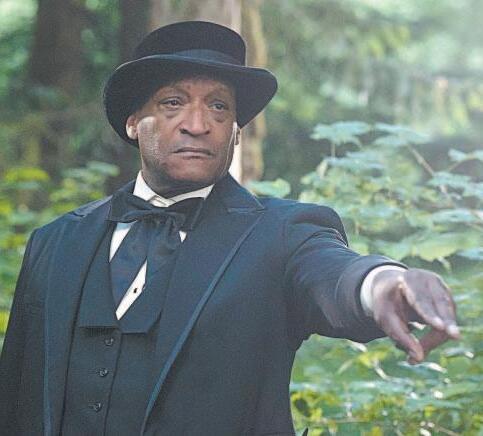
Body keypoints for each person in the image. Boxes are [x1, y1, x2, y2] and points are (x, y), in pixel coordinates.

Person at [0, 21, 459, 436]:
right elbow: (16, 398)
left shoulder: (282, 234)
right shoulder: (55, 242)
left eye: (218, 107)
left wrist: (383, 283)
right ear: (134, 123)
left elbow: (333, 274)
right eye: (173, 103)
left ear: (236, 131)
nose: (198, 125)